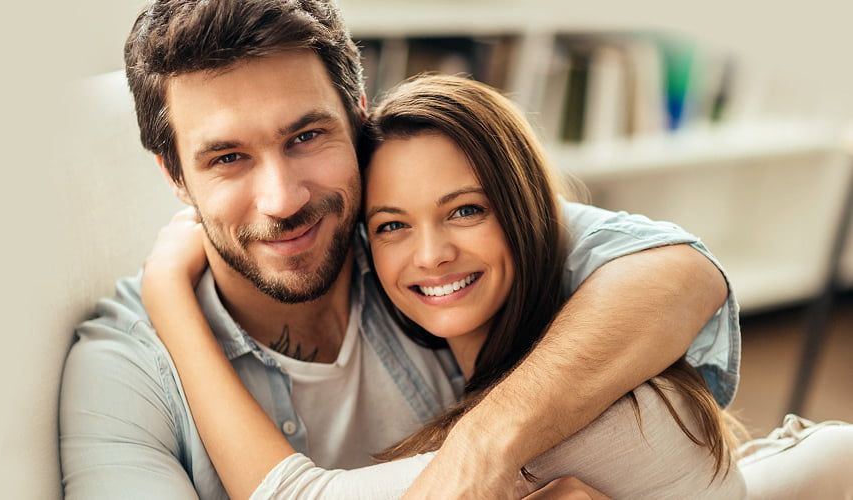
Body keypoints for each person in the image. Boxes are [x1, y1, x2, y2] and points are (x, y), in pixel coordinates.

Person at [58, 1, 738, 498]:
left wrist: (484, 445)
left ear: (357, 118)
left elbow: (676, 271)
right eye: (228, 158)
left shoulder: (411, 238)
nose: (282, 199)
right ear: (174, 176)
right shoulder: (126, 370)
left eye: (305, 137)